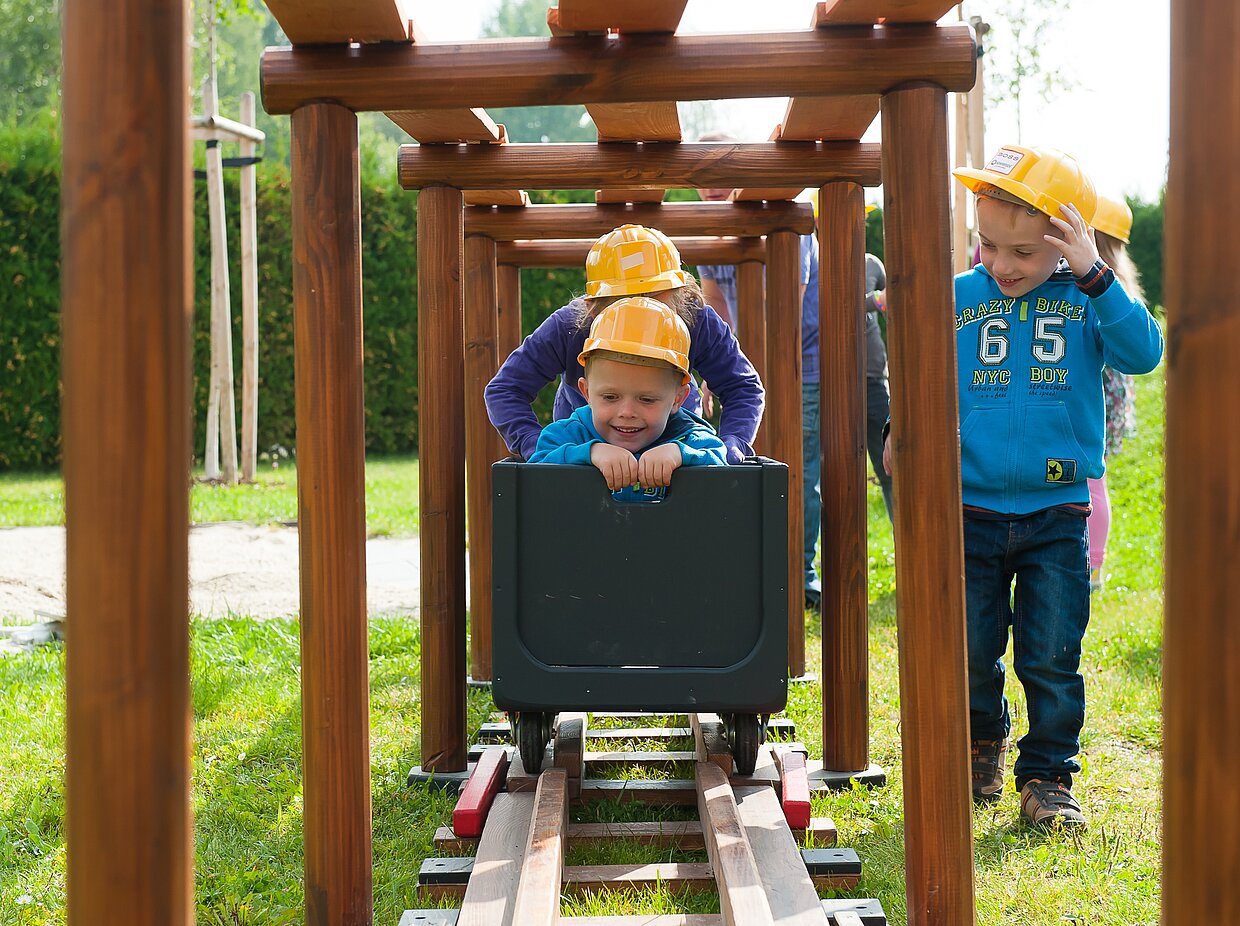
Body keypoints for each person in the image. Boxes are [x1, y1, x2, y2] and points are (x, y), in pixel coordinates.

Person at [885, 145, 1163, 827]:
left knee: (1051, 656)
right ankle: (982, 740)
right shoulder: (961, 297)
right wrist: (903, 426)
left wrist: (1097, 276)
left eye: (1023, 253)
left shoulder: (1090, 298)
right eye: (988, 245)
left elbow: (1145, 354)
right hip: (969, 509)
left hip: (1056, 512)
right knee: (972, 647)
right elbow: (921, 367)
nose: (1003, 265)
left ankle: (1047, 777)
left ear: (1069, 241)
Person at [485, 224, 764, 465]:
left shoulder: (696, 318)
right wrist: (539, 448)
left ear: (680, 296)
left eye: (654, 300)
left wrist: (731, 447)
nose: (640, 311)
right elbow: (506, 389)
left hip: (675, 444)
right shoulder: (570, 325)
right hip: (584, 451)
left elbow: (742, 386)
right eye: (623, 302)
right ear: (593, 308)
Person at [528, 296, 728, 500]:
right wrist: (590, 453)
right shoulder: (569, 434)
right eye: (610, 397)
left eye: (647, 399)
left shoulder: (689, 436)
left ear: (678, 398)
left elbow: (724, 467)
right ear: (586, 392)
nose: (627, 412)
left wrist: (680, 454)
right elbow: (533, 473)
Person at [1086, 195, 1143, 592]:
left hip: (1100, 392)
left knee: (1093, 479)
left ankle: (1093, 566)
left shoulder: (1099, 281)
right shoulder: (1120, 278)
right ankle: (1094, 565)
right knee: (1095, 479)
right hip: (1111, 392)